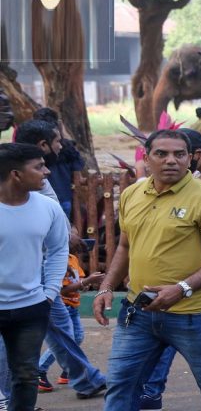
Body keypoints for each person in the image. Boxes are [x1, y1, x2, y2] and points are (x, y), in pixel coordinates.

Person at [93, 129, 201, 411]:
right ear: (147, 158)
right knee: (121, 384)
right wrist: (107, 287)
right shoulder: (132, 194)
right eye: (161, 154)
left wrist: (181, 289)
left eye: (179, 154)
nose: (171, 160)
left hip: (196, 315)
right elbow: (125, 247)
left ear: (189, 158)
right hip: (138, 312)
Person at [17, 121, 109, 400]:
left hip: (43, 270)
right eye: (57, 141)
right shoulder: (25, 182)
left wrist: (66, 232)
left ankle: (84, 378)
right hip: (33, 270)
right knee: (56, 329)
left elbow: (54, 218)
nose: (60, 146)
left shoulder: (37, 179)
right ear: (43, 145)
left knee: (59, 329)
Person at [0, 143, 69, 411]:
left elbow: (58, 249)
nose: (47, 171)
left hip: (31, 308)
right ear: (16, 174)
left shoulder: (47, 208)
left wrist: (49, 293)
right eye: (39, 166)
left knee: (26, 376)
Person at [38, 228, 104, 392]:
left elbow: (77, 279)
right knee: (66, 338)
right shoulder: (53, 260)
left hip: (73, 306)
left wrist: (85, 283)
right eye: (72, 236)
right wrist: (85, 281)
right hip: (64, 303)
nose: (77, 240)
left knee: (75, 337)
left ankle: (72, 373)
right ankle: (40, 370)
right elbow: (60, 288)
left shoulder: (72, 259)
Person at [32, 108, 84, 218]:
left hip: (40, 199)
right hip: (64, 197)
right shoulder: (66, 147)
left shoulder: (34, 149)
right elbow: (78, 170)